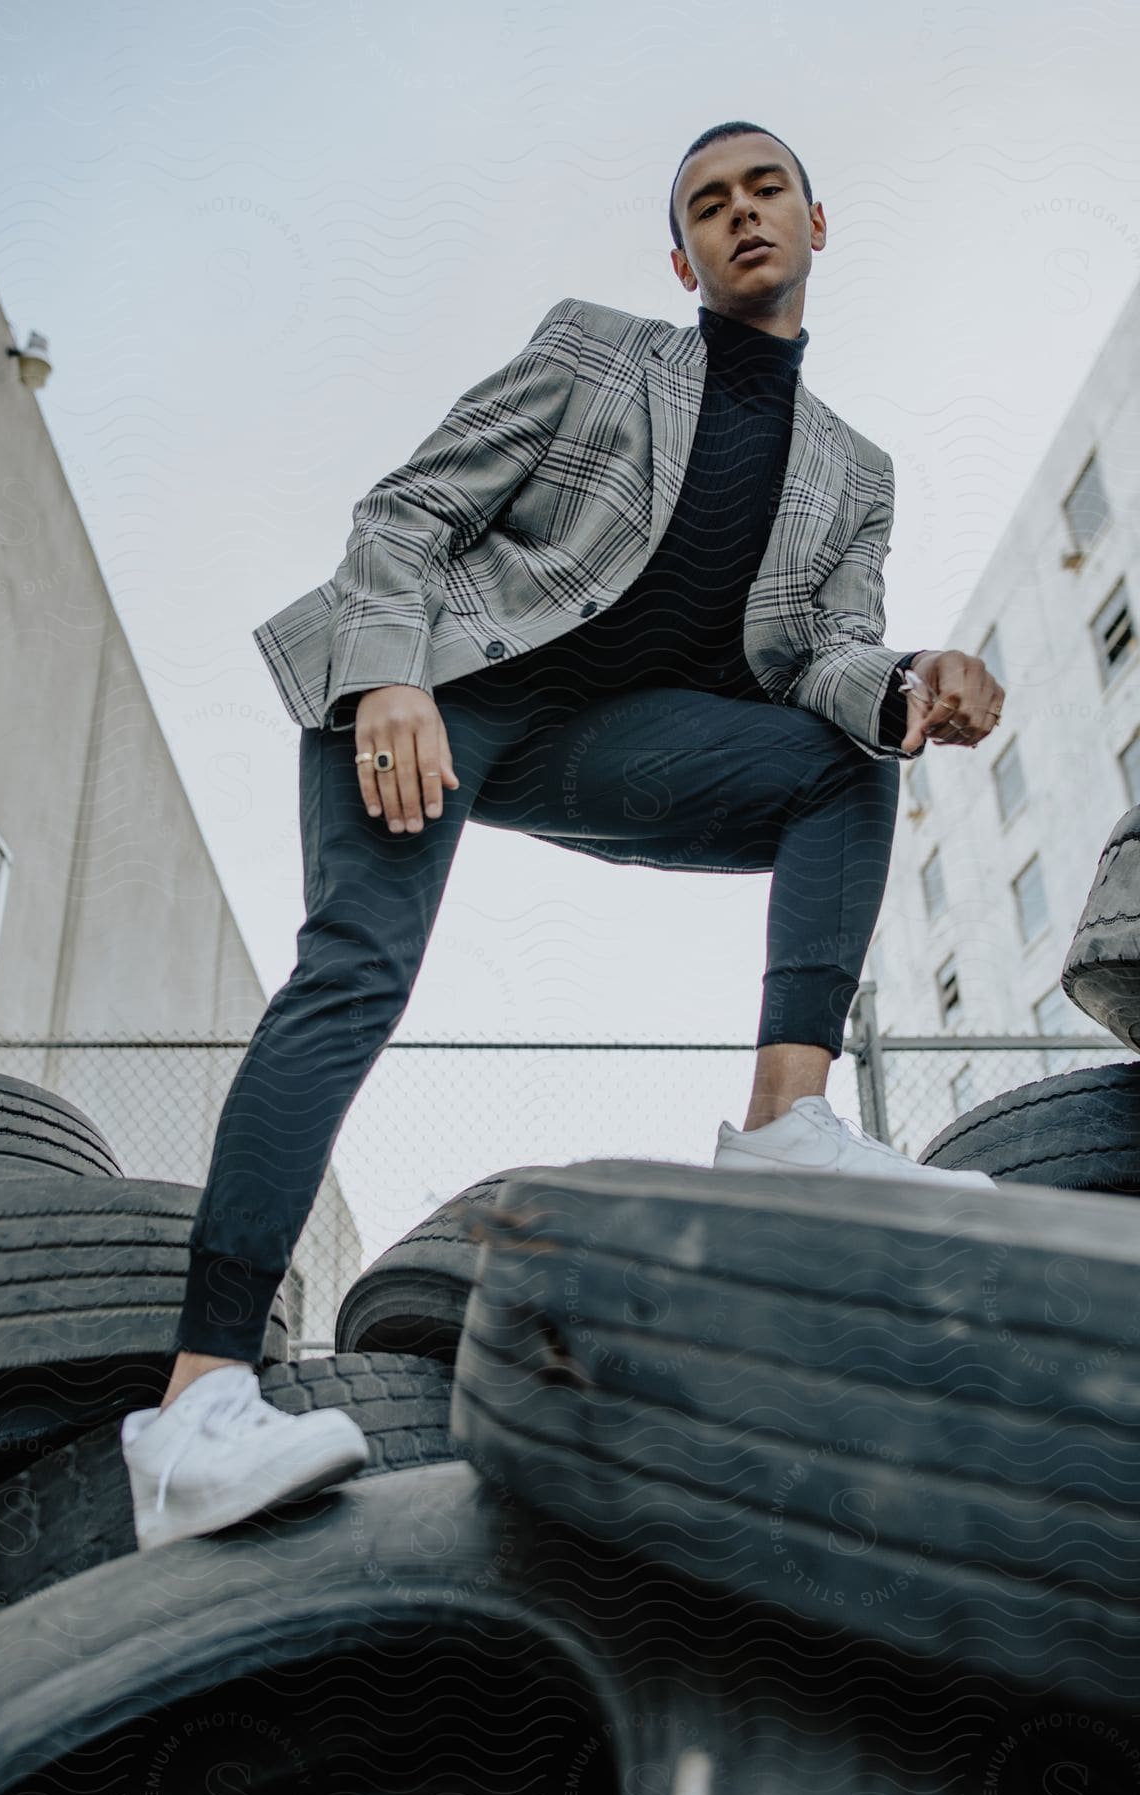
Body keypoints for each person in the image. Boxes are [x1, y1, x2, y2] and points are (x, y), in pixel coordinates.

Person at [122, 119, 1005, 1551]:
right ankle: (195, 1407)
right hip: (445, 689)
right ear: (683, 255)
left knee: (848, 752)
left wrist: (910, 683)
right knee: (356, 971)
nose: (741, 216)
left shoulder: (857, 471)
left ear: (816, 221)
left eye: (764, 190)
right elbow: (406, 514)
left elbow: (824, 660)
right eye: (708, 206)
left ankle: (789, 1121)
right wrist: (390, 675)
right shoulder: (597, 350)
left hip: (608, 744)